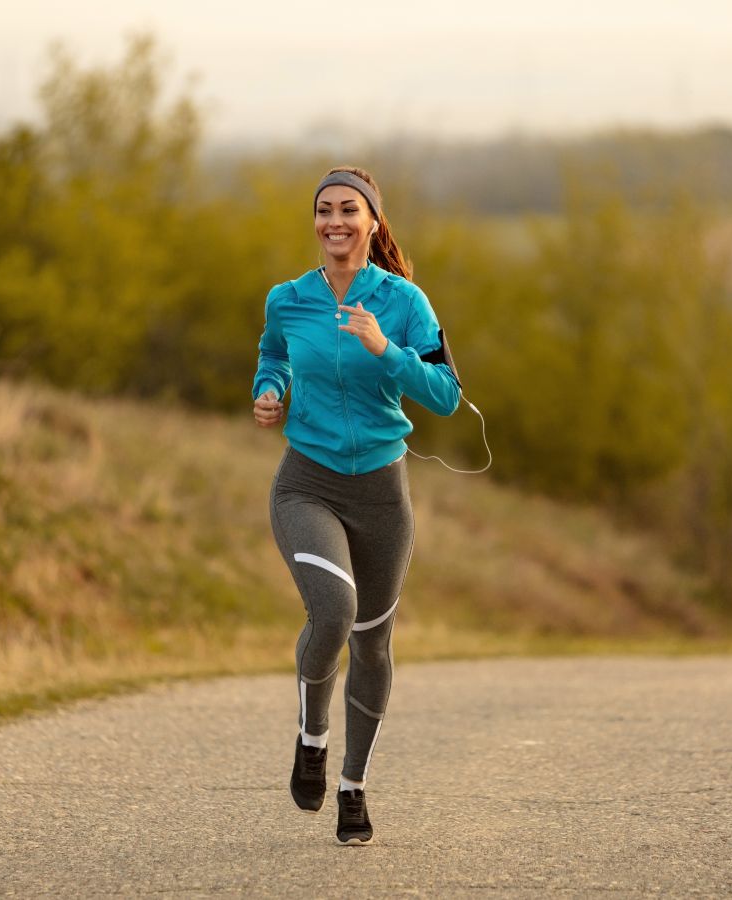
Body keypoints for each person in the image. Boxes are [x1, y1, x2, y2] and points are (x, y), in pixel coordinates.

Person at [251, 166, 461, 845]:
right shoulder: (288, 299)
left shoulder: (405, 302)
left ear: (373, 222)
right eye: (324, 210)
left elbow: (446, 395)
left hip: (381, 494)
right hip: (306, 483)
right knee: (334, 611)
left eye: (348, 209)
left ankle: (353, 787)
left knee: (372, 642)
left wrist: (386, 349)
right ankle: (312, 736)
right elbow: (273, 356)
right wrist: (269, 391)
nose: (334, 221)